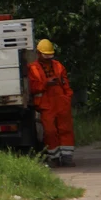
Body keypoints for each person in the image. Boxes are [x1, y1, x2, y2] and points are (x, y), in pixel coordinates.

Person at [28, 38, 75, 167]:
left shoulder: (58, 66)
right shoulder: (33, 68)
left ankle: (67, 158)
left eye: (50, 55)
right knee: (50, 131)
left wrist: (67, 98)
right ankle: (54, 157)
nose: (48, 58)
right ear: (38, 53)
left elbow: (66, 84)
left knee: (65, 129)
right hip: (45, 105)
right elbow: (32, 87)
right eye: (45, 55)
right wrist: (46, 83)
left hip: (61, 102)